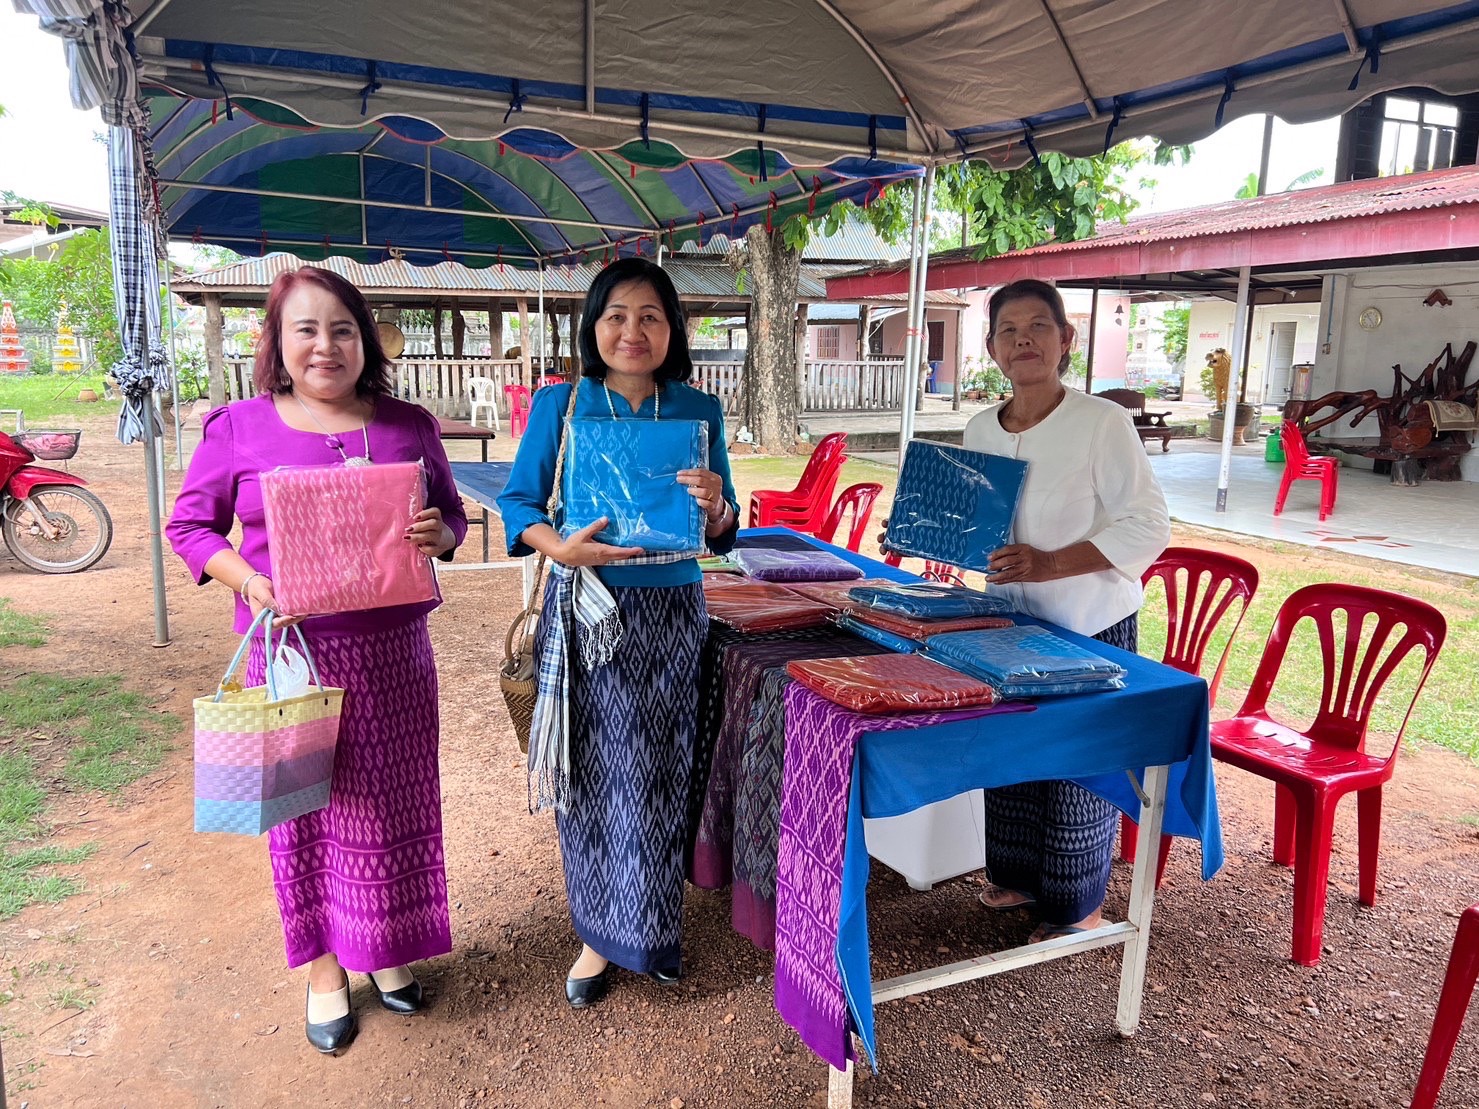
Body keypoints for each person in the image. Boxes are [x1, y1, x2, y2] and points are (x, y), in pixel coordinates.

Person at [166, 266, 468, 1054]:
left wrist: (440, 536)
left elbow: (454, 521)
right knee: (304, 815)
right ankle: (326, 967)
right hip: (293, 654)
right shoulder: (237, 425)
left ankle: (386, 949)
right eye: (304, 329)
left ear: (364, 338)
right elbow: (191, 529)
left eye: (341, 328)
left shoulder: (407, 424)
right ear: (276, 341)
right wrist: (253, 582)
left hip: (394, 655)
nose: (324, 345)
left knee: (391, 806)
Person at [497, 257, 740, 1009]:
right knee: (594, 778)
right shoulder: (562, 403)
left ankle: (654, 928)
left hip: (675, 615)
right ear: (592, 326)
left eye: (650, 316)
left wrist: (719, 506)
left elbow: (724, 528)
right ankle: (598, 933)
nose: (632, 331)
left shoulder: (698, 411)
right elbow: (517, 503)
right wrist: (558, 547)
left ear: (672, 331)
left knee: (666, 776)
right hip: (589, 618)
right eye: (616, 315)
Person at [963, 279, 1171, 942]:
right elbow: (970, 515)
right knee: (1017, 753)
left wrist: (1049, 563)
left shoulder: (1099, 422)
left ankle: (1077, 906)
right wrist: (925, 529)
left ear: (1065, 340)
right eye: (1007, 330)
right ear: (992, 348)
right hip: (1007, 623)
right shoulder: (978, 426)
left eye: (1038, 326)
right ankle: (1021, 876)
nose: (1023, 339)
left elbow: (1147, 526)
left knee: (1078, 767)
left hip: (1087, 623)